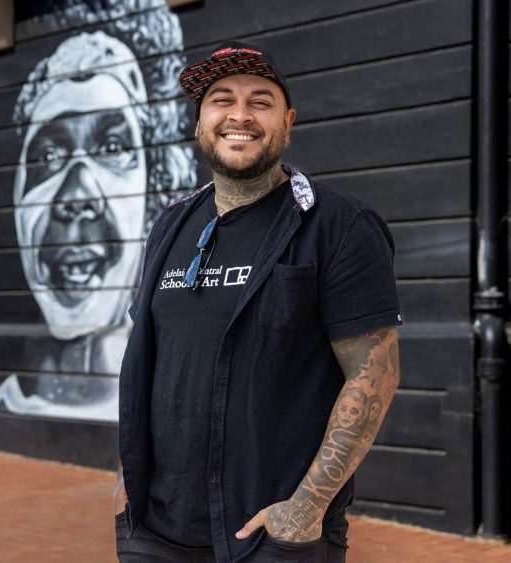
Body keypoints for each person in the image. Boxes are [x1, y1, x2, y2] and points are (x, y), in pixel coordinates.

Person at [115, 41, 403, 562]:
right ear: (199, 123)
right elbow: (151, 361)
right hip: (156, 530)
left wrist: (305, 508)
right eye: (221, 100)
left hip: (269, 534)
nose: (240, 115)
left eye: (261, 102)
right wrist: (126, 480)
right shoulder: (170, 225)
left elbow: (373, 374)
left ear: (287, 122)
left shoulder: (337, 226)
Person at [0, 0, 195, 422]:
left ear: (156, 191)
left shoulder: (178, 411)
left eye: (113, 148)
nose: (77, 195)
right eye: (48, 155)